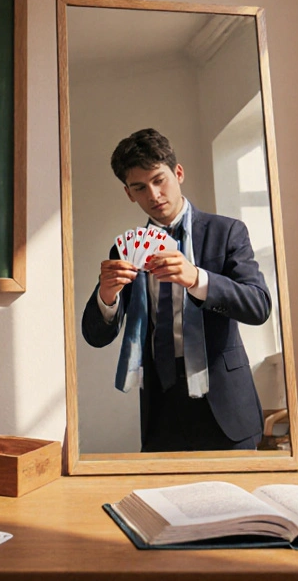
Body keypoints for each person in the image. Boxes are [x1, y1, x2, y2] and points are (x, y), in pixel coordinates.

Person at [81, 128, 271, 452]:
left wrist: (197, 278)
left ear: (178, 173)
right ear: (129, 193)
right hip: (162, 411)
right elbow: (95, 336)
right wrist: (107, 297)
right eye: (140, 187)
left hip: (227, 407)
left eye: (159, 180)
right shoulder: (125, 250)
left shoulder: (226, 232)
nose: (154, 195)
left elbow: (258, 306)